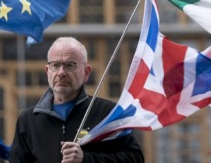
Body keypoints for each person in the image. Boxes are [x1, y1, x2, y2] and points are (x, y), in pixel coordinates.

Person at [9, 37, 144, 163]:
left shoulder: (107, 113)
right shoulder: (28, 120)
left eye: (69, 65)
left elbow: (135, 158)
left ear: (86, 72)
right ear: (47, 71)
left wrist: (86, 159)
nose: (61, 72)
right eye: (55, 65)